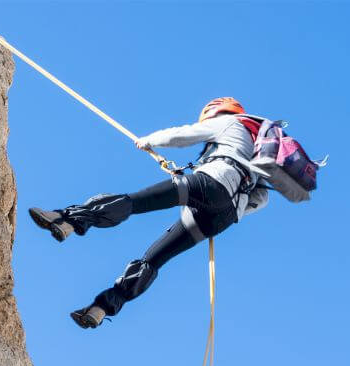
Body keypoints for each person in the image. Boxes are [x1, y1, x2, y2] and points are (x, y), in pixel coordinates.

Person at [29, 97, 269, 329]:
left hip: (210, 184)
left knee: (134, 202)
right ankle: (102, 308)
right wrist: (232, 209)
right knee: (153, 260)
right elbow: (262, 198)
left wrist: (150, 140)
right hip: (222, 217)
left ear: (215, 111)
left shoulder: (230, 122)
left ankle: (67, 220)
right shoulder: (257, 149)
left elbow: (184, 135)